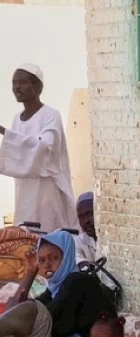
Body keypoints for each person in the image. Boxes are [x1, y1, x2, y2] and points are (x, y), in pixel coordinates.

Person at [0, 65, 77, 234]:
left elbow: (45, 147)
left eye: (22, 82)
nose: (17, 87)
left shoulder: (50, 115)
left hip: (46, 189)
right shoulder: (16, 119)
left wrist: (5, 133)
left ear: (36, 87)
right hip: (24, 190)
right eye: (14, 83)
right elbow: (14, 154)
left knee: (48, 238)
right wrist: (9, 137)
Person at [74, 192, 97, 264]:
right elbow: (75, 258)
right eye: (81, 217)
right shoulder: (79, 241)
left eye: (89, 214)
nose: (86, 221)